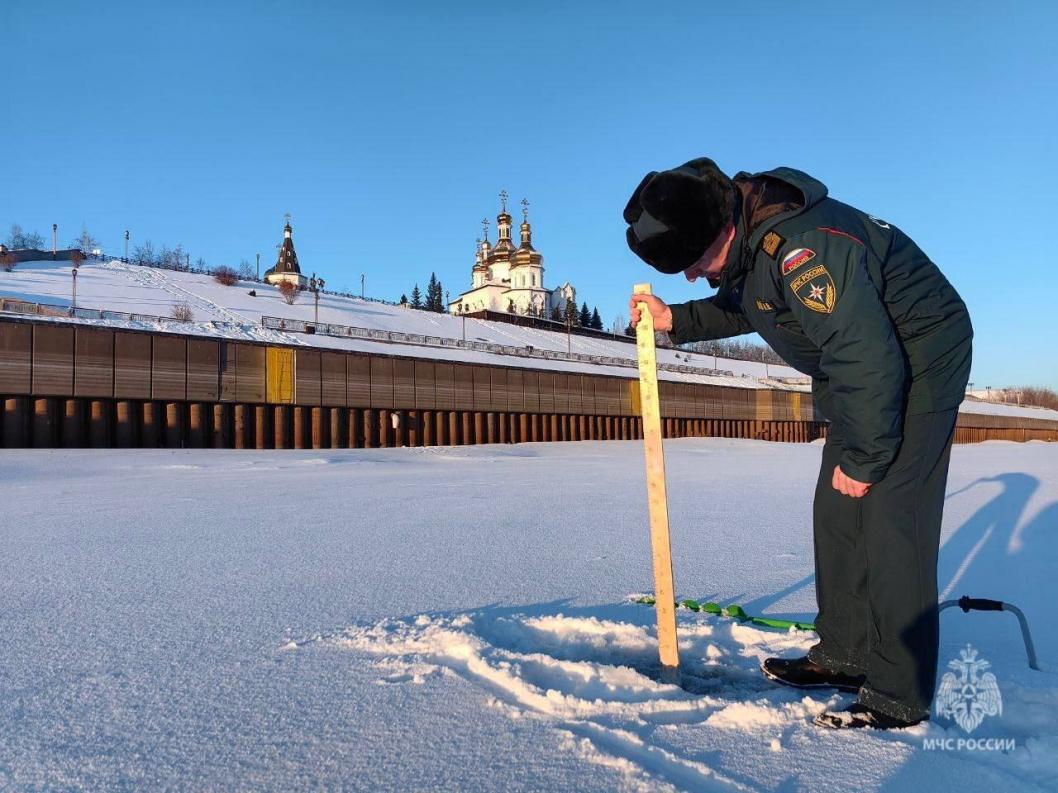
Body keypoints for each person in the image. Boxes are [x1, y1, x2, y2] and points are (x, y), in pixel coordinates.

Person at [625, 158, 973, 730]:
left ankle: (896, 693)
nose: (691, 277)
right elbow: (751, 302)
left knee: (891, 517)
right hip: (861, 368)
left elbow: (868, 355)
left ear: (723, 232)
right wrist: (677, 320)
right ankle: (845, 652)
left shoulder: (803, 250)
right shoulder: (753, 241)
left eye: (693, 265)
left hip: (917, 360)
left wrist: (865, 458)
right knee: (837, 511)